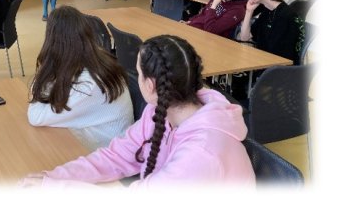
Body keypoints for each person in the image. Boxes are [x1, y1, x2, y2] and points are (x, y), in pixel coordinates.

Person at [20, 35, 254, 187]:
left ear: (150, 85)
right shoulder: (158, 112)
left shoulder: (202, 153)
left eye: (138, 74)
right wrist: (55, 176)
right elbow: (117, 156)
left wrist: (57, 188)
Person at [27, 6, 132, 151]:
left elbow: (36, 116)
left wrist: (43, 75)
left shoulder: (89, 85)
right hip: (100, 140)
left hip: (109, 154)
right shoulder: (94, 57)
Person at [239, 0, 303, 65]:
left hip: (277, 67)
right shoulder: (267, 11)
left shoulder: (286, 16)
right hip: (264, 61)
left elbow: (277, 54)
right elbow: (244, 37)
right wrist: (249, 11)